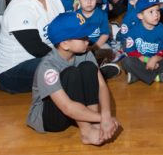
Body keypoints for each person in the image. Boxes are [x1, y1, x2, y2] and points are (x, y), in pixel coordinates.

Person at [26, 12, 119, 145]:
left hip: (76, 111)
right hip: (52, 119)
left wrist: (105, 114)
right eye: (83, 38)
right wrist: (104, 118)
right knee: (71, 73)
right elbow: (67, 107)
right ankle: (86, 131)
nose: (88, 40)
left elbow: (102, 86)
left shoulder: (86, 53)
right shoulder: (48, 67)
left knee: (88, 67)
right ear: (65, 44)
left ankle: (92, 124)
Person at [0, 0, 64, 94]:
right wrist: (68, 56)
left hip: (43, 58)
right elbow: (36, 49)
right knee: (64, 67)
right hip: (12, 71)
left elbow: (64, 29)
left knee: (79, 51)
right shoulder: (20, 7)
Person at [122, 0, 163, 84]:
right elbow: (131, 51)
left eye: (158, 11)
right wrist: (147, 60)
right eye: (151, 12)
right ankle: (157, 77)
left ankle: (137, 75)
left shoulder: (162, 29)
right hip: (141, 60)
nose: (156, 15)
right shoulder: (133, 31)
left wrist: (155, 59)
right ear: (140, 16)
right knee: (126, 62)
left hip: (156, 61)